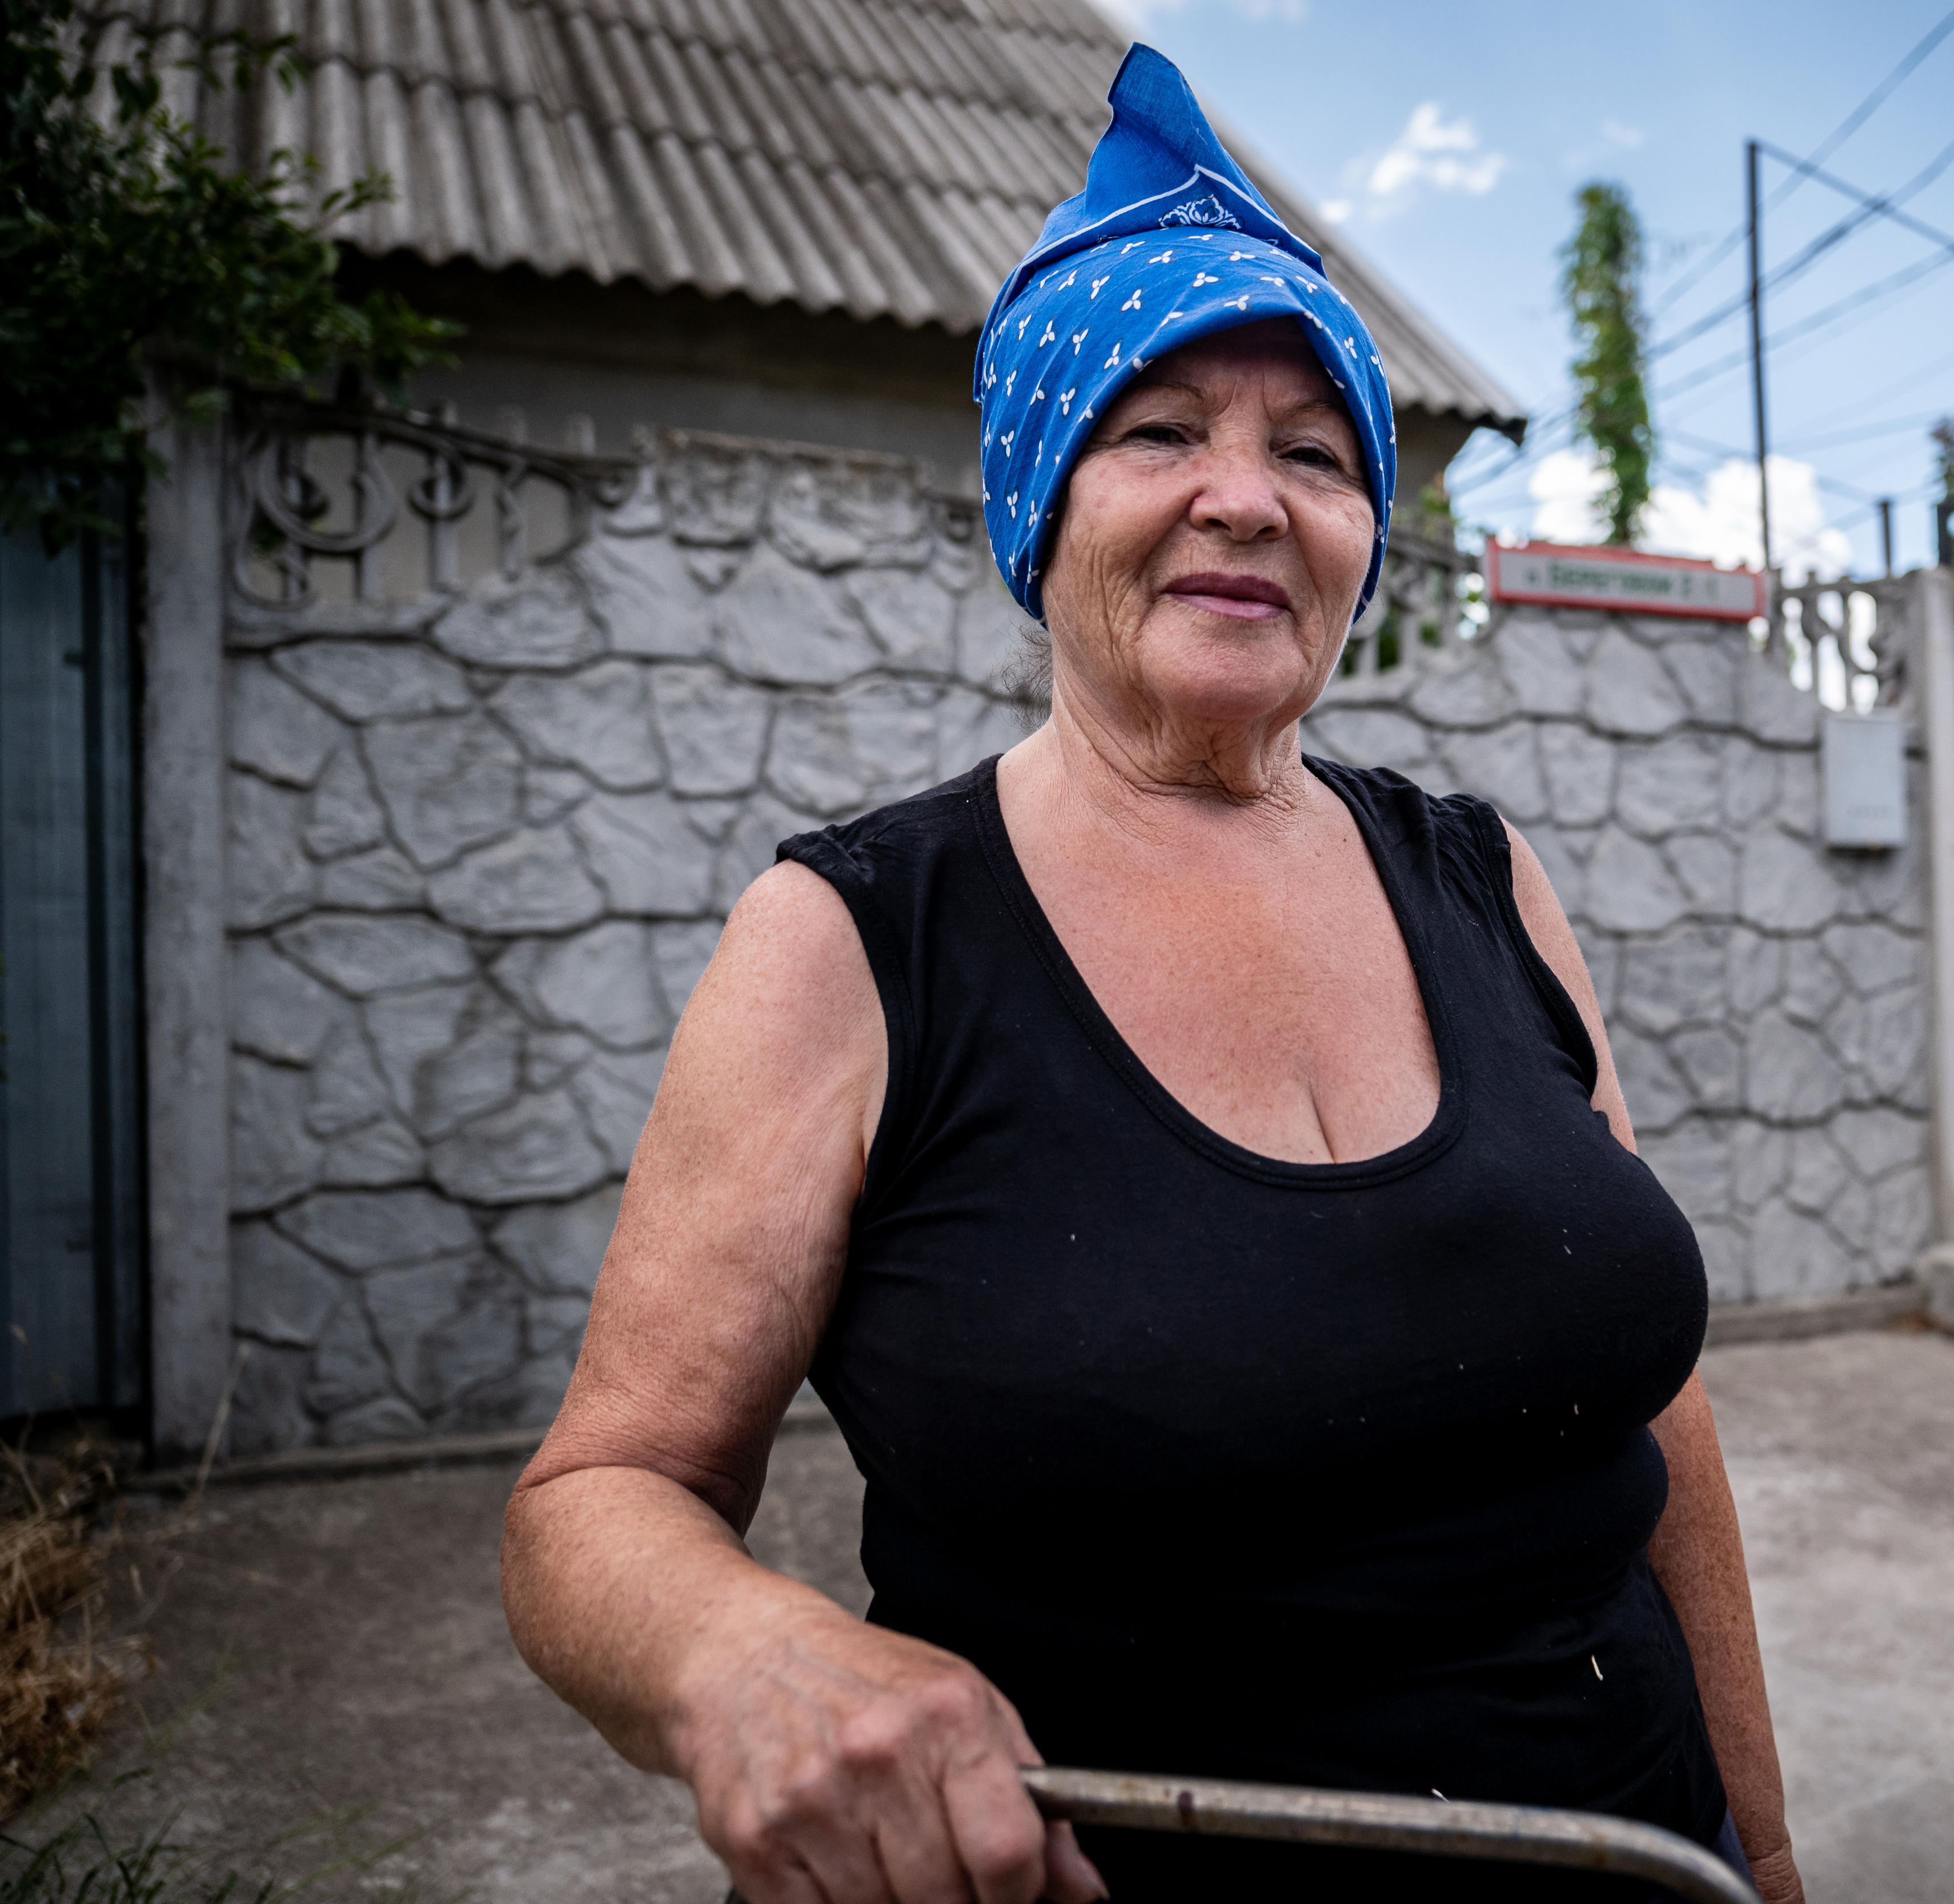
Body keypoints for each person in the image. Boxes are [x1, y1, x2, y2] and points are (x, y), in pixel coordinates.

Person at [501, 45, 1803, 1904]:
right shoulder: (858, 939)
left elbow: (1651, 1408)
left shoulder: (1481, 873)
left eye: (1315, 451)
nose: (1246, 498)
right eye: (1159, 430)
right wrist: (735, 1651)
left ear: (1364, 535)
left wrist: (1764, 1840)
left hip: (1631, 1848)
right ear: (1043, 497)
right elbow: (593, 1502)